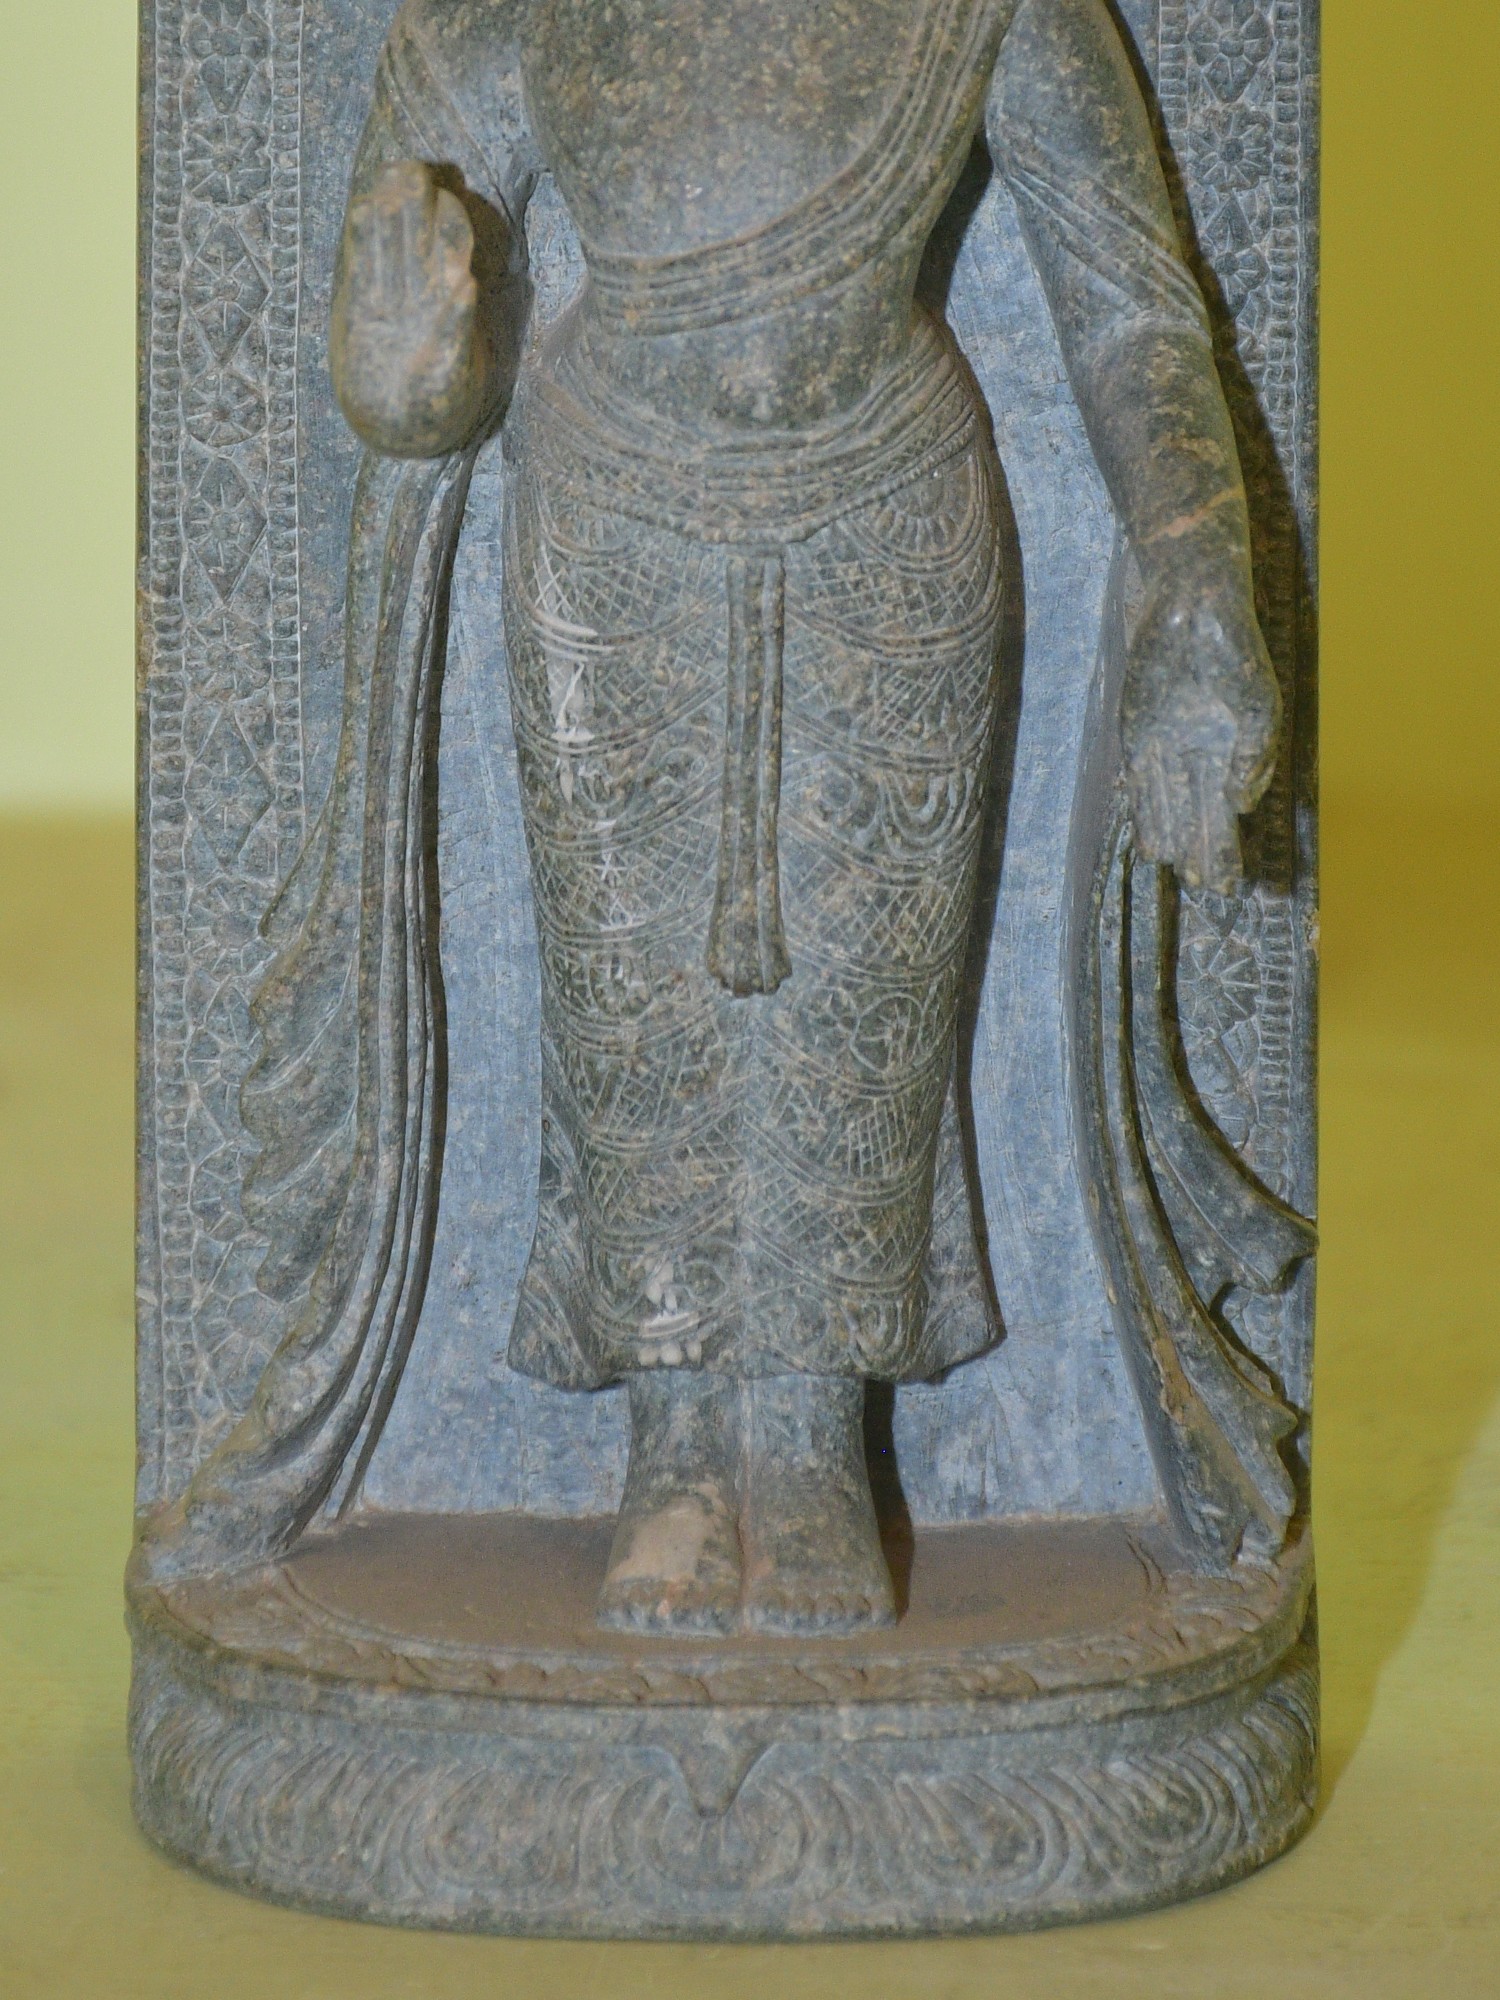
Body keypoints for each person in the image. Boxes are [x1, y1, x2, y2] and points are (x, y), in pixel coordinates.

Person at [151, 0, 1282, 1635]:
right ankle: (675, 1448)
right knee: (637, 1005)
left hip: (892, 521)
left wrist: (1194, 567)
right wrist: (406, 354)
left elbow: (1130, 313)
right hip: (612, 521)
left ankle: (812, 1444)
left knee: (862, 1006)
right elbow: (407, 379)